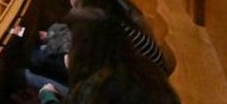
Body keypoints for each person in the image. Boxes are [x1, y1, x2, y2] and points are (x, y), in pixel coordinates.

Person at [37, 8, 179, 104]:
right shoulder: (143, 68)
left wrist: (48, 97)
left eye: (74, 42)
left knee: (35, 80)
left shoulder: (100, 87)